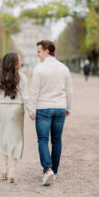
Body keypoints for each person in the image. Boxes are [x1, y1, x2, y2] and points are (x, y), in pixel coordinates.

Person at [29, 40, 73, 186]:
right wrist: (68, 108)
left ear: (47, 51)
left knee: (42, 139)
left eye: (39, 51)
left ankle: (47, 169)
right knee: (57, 140)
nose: (37, 54)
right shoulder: (64, 68)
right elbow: (69, 90)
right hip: (60, 107)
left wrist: (31, 110)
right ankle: (54, 170)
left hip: (43, 107)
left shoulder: (39, 68)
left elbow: (34, 91)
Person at [0, 53, 35, 183]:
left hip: (0, 109)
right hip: (16, 110)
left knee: (3, 137)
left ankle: (4, 169)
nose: (21, 62)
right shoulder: (23, 78)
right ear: (14, 63)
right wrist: (32, 113)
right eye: (20, 61)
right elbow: (25, 98)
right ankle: (12, 171)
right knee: (16, 139)